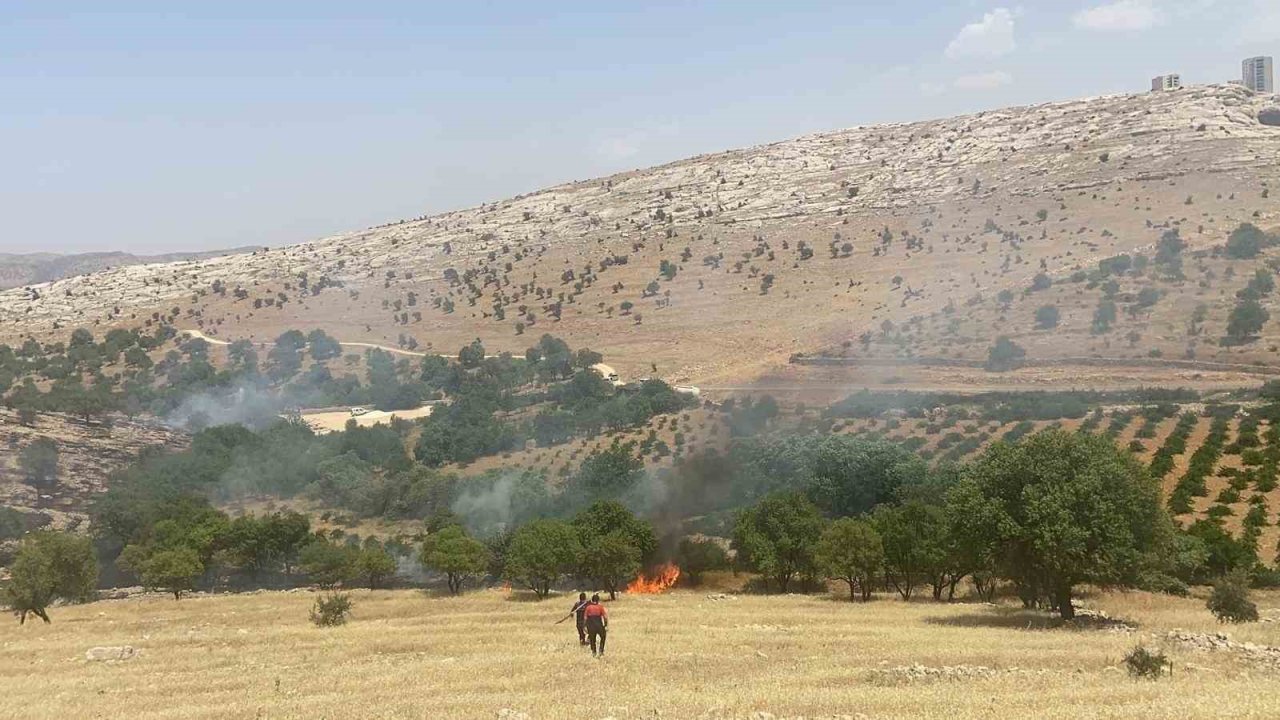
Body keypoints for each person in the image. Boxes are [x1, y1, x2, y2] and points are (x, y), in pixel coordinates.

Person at [583, 593, 608, 657]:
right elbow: (605, 617)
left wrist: (584, 626)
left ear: (592, 600)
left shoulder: (588, 608)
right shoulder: (600, 607)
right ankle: (601, 650)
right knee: (603, 636)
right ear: (598, 600)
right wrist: (605, 625)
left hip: (591, 626)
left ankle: (594, 652)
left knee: (592, 639)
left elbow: (585, 618)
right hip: (599, 625)